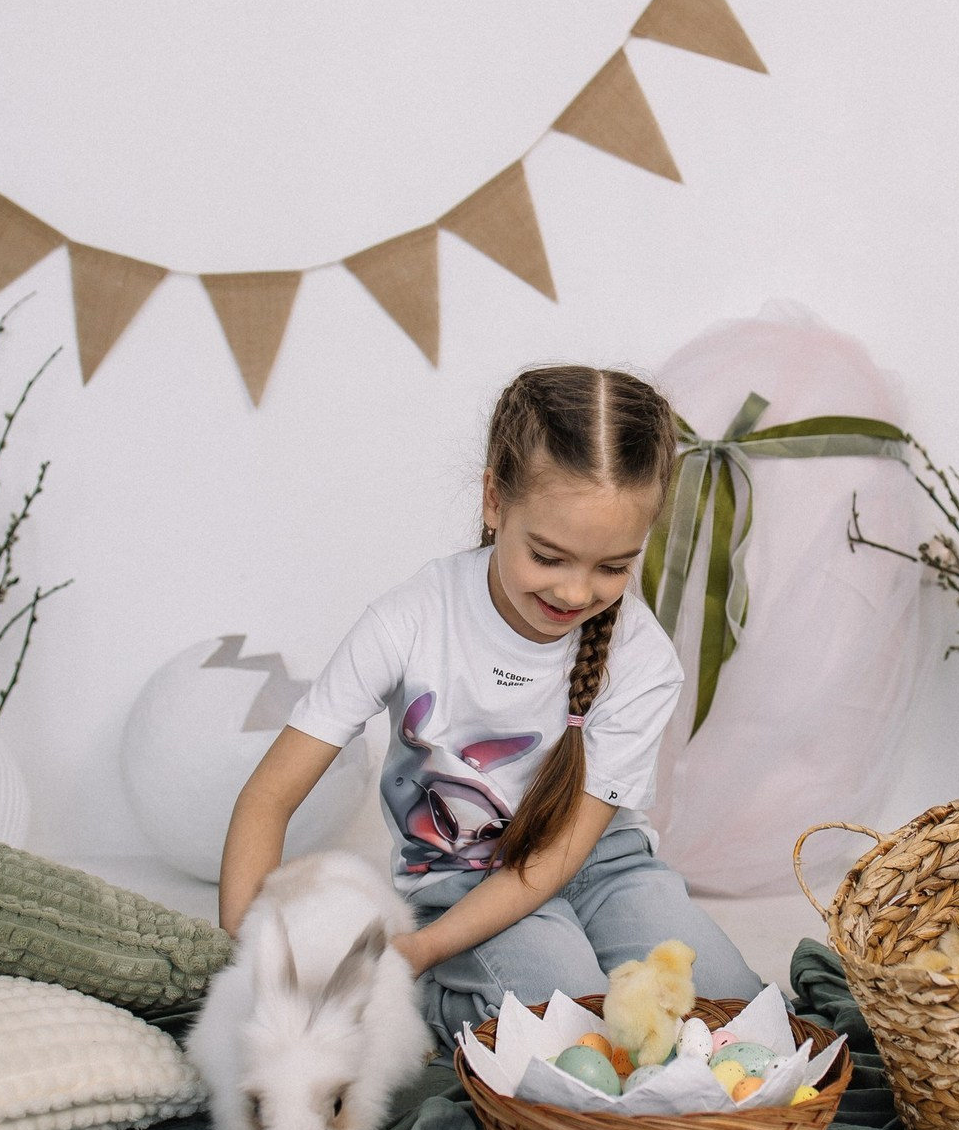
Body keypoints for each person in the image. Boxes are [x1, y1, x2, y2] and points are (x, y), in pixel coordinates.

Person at [217, 364, 764, 1053]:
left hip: (593, 860)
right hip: (463, 872)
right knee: (569, 1021)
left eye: (612, 567)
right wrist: (247, 958)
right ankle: (448, 1002)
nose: (575, 592)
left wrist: (417, 950)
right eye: (549, 556)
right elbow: (268, 797)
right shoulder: (408, 622)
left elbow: (559, 858)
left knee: (732, 1012)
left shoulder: (643, 660)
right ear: (494, 501)